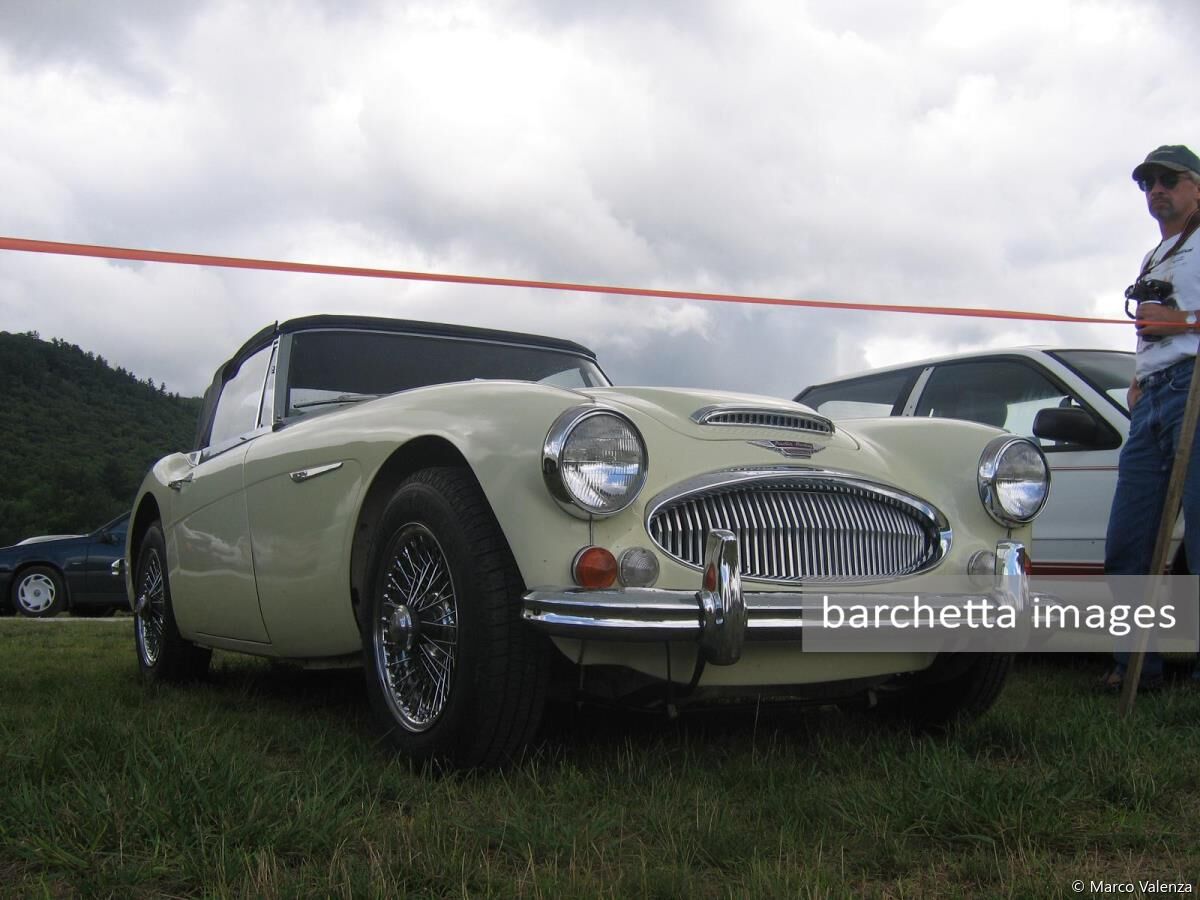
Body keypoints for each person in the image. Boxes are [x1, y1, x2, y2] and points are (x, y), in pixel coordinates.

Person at [1101, 144, 1200, 692]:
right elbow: (1150, 325)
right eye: (1147, 183)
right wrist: (1139, 376)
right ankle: (1138, 666)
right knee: (1128, 540)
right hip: (1155, 397)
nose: (1156, 189)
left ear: (1196, 187)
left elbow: (1170, 322)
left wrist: (1180, 323)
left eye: (1168, 179)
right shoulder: (1154, 255)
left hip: (1195, 386)